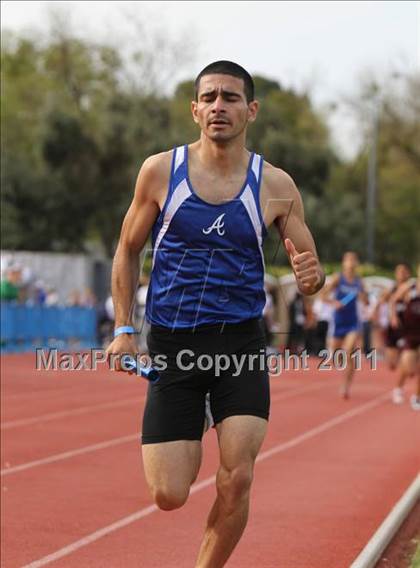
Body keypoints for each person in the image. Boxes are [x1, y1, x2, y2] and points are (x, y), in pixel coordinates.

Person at [106, 60, 325, 568]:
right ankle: (197, 412)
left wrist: (312, 278)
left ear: (251, 110)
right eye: (209, 98)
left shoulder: (275, 184)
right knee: (169, 493)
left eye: (229, 98)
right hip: (173, 344)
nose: (218, 107)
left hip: (242, 345)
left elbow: (308, 270)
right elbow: (126, 250)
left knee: (238, 474)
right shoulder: (160, 171)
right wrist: (122, 329)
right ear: (194, 110)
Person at [322, 252, 368, 399]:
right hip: (338, 321)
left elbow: (366, 301)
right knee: (337, 355)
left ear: (357, 263)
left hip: (353, 322)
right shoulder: (338, 278)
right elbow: (323, 296)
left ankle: (345, 386)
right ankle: (347, 365)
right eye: (348, 260)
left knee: (348, 350)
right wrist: (334, 303)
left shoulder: (359, 282)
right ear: (343, 263)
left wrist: (363, 296)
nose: (351, 263)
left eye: (353, 260)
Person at [389, 266, 420, 410]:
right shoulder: (410, 287)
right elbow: (393, 301)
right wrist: (394, 316)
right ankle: (398, 388)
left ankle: (417, 397)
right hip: (410, 332)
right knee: (408, 366)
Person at [372, 263, 412, 371]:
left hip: (407, 326)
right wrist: (375, 314)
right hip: (393, 326)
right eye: (399, 272)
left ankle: (406, 370)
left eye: (404, 272)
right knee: (391, 363)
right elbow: (379, 303)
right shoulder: (391, 289)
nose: (402, 274)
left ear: (408, 274)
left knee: (407, 354)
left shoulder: (412, 288)